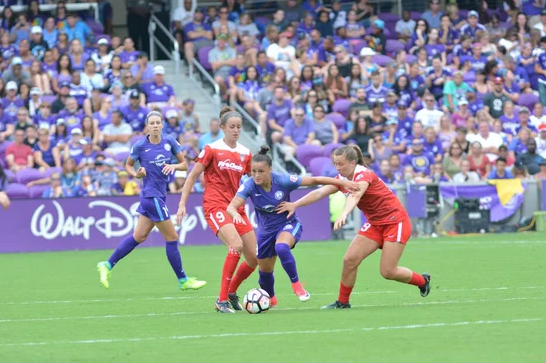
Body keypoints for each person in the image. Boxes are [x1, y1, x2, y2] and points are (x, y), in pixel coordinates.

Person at [277, 145, 431, 309]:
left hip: (395, 222)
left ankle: (422, 281)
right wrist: (295, 204)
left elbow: (355, 195)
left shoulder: (364, 174)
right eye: (335, 163)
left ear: (352, 162)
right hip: (375, 223)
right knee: (350, 260)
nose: (337, 167)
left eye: (341, 164)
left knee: (388, 271)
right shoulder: (342, 178)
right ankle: (342, 302)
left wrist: (344, 213)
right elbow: (319, 193)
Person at [227, 146, 359, 306]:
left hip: (288, 224)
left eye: (261, 171)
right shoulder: (249, 185)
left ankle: (297, 286)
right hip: (265, 232)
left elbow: (314, 180)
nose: (256, 175)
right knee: (264, 272)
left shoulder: (282, 180)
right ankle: (270, 299)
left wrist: (341, 182)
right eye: (253, 171)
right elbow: (231, 207)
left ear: (270, 169)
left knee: (281, 247)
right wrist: (235, 215)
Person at [96, 111, 206, 291]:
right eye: (151, 123)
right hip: (151, 196)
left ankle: (107, 265)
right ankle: (183, 279)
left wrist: (174, 165)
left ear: (162, 125)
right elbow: (129, 165)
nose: (155, 125)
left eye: (157, 122)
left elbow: (185, 164)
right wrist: (136, 174)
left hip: (158, 196)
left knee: (138, 236)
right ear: (147, 126)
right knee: (172, 238)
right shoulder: (140, 146)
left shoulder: (169, 141)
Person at [176, 106, 258, 314]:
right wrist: (182, 203)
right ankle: (220, 301)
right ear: (222, 128)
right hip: (215, 205)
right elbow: (193, 176)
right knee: (236, 245)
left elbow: (251, 182)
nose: (236, 130)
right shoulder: (212, 149)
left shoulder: (245, 153)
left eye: (239, 127)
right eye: (232, 126)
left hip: (236, 207)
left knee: (254, 258)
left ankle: (231, 292)